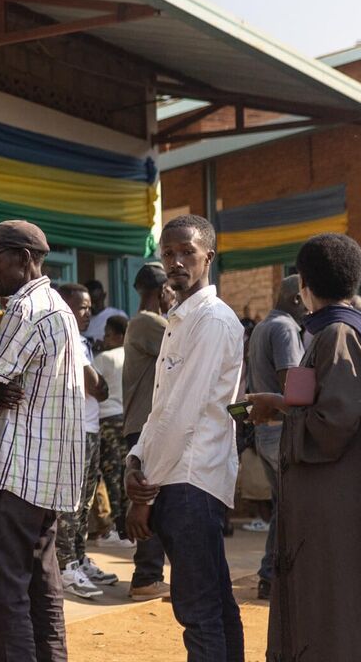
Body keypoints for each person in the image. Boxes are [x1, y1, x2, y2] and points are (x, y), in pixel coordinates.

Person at [244, 233, 361, 662]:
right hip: (341, 488)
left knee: (339, 602)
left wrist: (279, 408)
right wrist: (281, 406)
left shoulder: (337, 333)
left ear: (305, 287)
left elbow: (332, 425)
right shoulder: (343, 329)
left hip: (342, 494)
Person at [124, 215, 245, 662]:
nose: (176, 261)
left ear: (207, 257)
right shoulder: (181, 317)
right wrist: (136, 460)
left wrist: (144, 493)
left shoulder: (211, 321)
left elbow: (182, 414)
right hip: (175, 476)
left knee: (199, 612)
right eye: (168, 253)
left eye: (187, 252)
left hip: (189, 480)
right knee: (213, 605)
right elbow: (162, 409)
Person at [0, 220, 86, 662]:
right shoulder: (61, 308)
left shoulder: (24, 307)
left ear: (23, 257)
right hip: (51, 476)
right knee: (43, 587)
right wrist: (3, 388)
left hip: (17, 472)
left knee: (7, 595)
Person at [243, 275, 305, 600]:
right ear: (296, 298)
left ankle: (270, 575)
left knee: (283, 506)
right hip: (281, 428)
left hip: (266, 431)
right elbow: (291, 383)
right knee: (294, 506)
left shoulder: (263, 327)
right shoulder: (284, 328)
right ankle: (277, 577)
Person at [54, 282, 115, 597]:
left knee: (86, 500)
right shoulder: (69, 339)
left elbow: (100, 388)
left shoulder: (84, 341)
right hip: (75, 431)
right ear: (65, 306)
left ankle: (78, 557)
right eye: (82, 306)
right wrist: (100, 384)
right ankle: (66, 566)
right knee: (72, 502)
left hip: (90, 429)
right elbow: (96, 386)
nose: (88, 312)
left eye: (90, 307)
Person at [121, 263, 174, 601]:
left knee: (151, 497)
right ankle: (145, 577)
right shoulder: (149, 323)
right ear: (162, 289)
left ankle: (149, 573)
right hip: (144, 426)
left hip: (144, 425)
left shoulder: (144, 322)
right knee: (147, 499)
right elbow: (184, 347)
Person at [90, 315, 132, 550]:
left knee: (109, 474)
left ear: (118, 336)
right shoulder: (132, 356)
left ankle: (115, 527)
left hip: (106, 419)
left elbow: (92, 387)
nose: (104, 339)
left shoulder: (104, 358)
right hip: (126, 418)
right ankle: (126, 526)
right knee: (126, 470)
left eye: (107, 334)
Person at [82, 279, 126, 348]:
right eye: (90, 303)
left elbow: (127, 341)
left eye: (96, 301)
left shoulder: (117, 315)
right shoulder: (83, 320)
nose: (93, 306)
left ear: (104, 296)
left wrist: (105, 345)